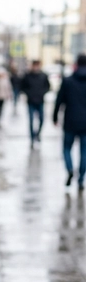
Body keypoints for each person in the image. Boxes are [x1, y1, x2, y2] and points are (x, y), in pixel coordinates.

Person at [53, 53, 86, 190]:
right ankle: (80, 180)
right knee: (84, 152)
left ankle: (70, 169)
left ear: (76, 64)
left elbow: (59, 100)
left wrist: (54, 116)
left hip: (70, 122)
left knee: (66, 148)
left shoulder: (67, 81)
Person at [20, 59, 50, 146]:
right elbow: (22, 87)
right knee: (31, 120)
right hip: (31, 101)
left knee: (41, 119)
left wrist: (42, 93)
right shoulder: (27, 76)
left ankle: (37, 134)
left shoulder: (43, 76)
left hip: (40, 101)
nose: (36, 67)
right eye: (35, 65)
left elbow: (47, 86)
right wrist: (29, 94)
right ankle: (32, 138)